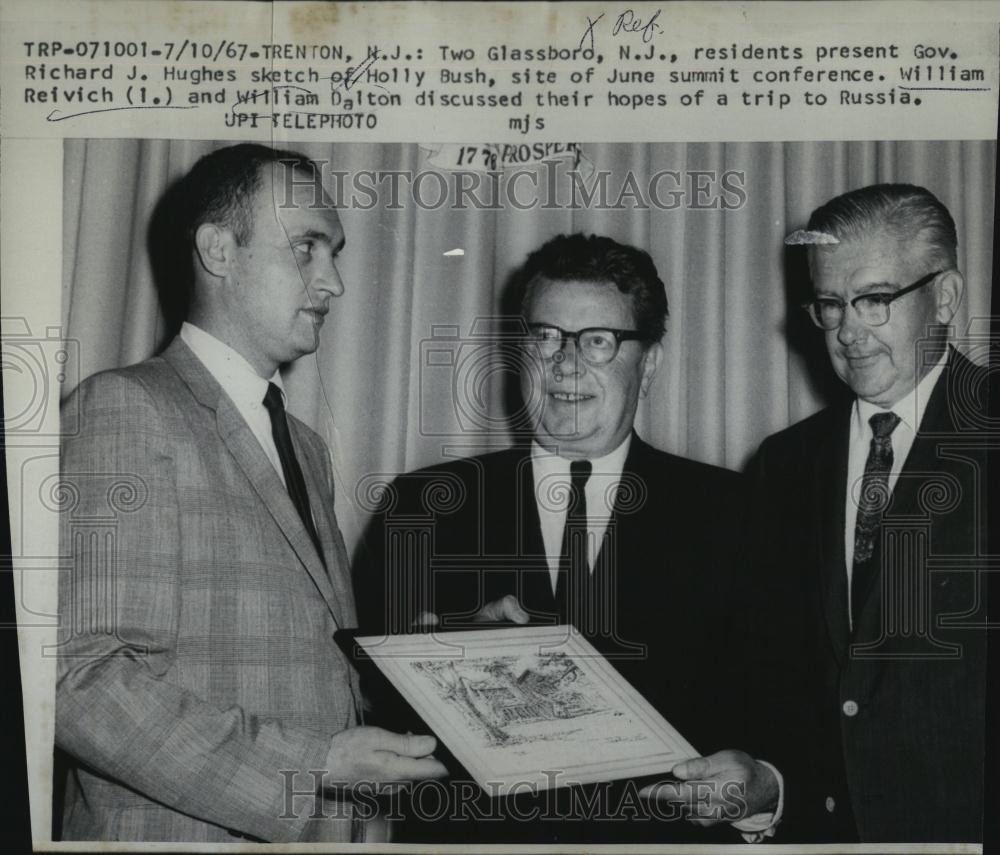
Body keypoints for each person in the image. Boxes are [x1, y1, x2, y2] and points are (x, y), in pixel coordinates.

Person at [55, 143, 446, 843]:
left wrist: (457, 653)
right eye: (307, 248)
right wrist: (313, 765)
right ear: (218, 250)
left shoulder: (306, 447)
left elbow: (307, 656)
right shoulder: (126, 406)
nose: (333, 284)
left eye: (336, 253)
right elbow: (81, 680)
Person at [355, 233, 780, 842]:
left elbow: (784, 713)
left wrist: (761, 785)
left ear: (650, 363)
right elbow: (360, 707)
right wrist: (445, 661)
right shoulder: (421, 506)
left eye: (598, 341)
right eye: (545, 336)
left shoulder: (738, 512)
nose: (564, 364)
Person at [743, 183, 988, 842]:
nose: (848, 331)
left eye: (875, 300)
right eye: (829, 303)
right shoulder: (784, 463)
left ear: (945, 296)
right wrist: (769, 781)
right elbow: (783, 677)